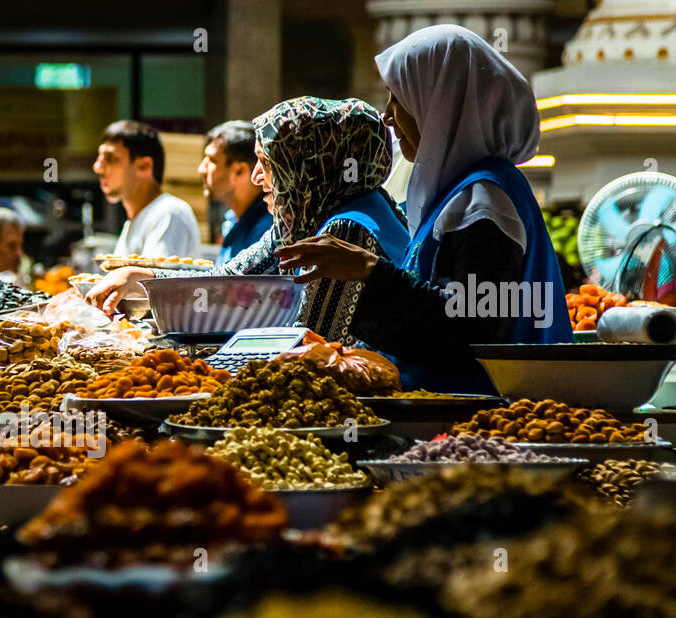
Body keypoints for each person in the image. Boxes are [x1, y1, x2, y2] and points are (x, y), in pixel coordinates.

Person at [275, 25, 571, 392]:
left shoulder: (484, 200)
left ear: (441, 103)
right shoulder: (470, 192)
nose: (386, 116)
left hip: (477, 425)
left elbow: (470, 329)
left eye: (397, 99)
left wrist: (370, 272)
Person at [90, 98, 410, 345]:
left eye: (268, 164)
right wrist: (143, 277)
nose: (258, 177)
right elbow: (230, 278)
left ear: (308, 168)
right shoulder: (313, 217)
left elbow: (313, 347)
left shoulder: (345, 229)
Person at [92, 120, 199, 259]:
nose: (97, 168)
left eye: (110, 158)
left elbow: (156, 279)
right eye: (99, 158)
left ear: (144, 166)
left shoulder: (168, 213)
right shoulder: (135, 221)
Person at [200, 121, 273, 264]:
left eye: (211, 160)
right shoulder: (233, 220)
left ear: (239, 171)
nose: (201, 169)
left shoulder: (266, 232)